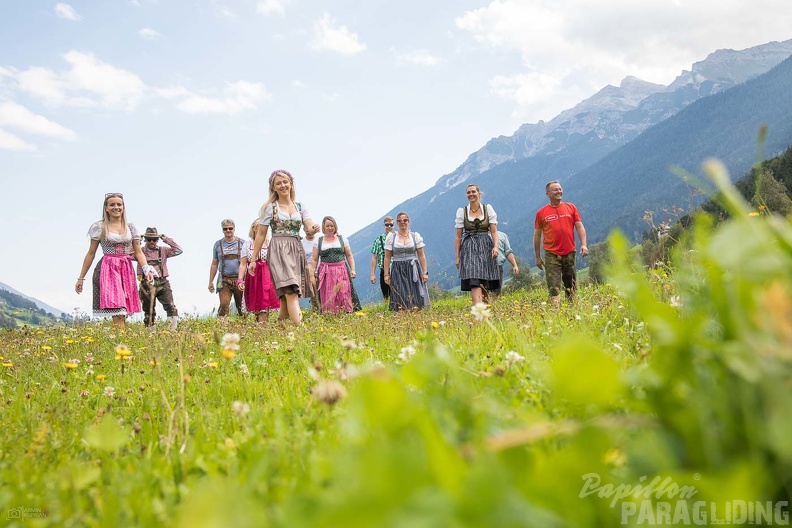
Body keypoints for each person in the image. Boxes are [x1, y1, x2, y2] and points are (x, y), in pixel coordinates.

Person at [248, 169, 320, 326]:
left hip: (295, 248)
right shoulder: (270, 208)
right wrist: (253, 259)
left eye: (285, 182)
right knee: (291, 292)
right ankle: (303, 330)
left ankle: (280, 328)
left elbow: (308, 227)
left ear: (291, 183)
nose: (283, 185)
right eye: (278, 183)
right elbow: (260, 234)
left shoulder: (300, 206)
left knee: (285, 297)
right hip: (278, 250)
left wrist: (314, 228)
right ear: (273, 187)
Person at [75, 193, 154, 330]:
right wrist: (81, 278)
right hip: (108, 268)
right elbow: (91, 253)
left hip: (126, 268)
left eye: (119, 204)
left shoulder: (130, 227)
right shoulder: (99, 227)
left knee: (123, 308)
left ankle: (120, 339)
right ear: (106, 208)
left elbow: (138, 251)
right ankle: (121, 340)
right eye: (112, 204)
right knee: (117, 307)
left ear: (123, 207)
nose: (116, 207)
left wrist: (146, 268)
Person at [534, 180, 588, 306]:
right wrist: (537, 257)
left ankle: (572, 309)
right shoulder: (541, 213)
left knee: (571, 284)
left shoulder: (571, 207)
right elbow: (537, 235)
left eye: (560, 189)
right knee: (553, 285)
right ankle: (556, 312)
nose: (559, 191)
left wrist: (584, 244)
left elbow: (580, 227)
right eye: (555, 190)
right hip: (551, 254)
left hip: (569, 252)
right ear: (547, 194)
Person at [455, 183, 499, 305]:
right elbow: (458, 236)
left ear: (479, 193)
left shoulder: (487, 209)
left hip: (486, 246)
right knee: (474, 281)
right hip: (469, 247)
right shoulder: (462, 212)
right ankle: (477, 315)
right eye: (468, 192)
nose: (471, 194)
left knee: (484, 283)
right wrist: (457, 257)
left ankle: (485, 315)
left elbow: (494, 231)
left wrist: (495, 246)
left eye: (473, 192)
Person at [309, 216, 362, 314]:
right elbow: (314, 260)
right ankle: (330, 313)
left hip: (341, 270)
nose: (330, 228)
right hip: (326, 272)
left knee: (343, 292)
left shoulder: (342, 239)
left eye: (332, 226)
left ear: (335, 226)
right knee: (328, 293)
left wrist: (353, 269)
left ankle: (346, 312)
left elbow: (349, 255)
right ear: (323, 227)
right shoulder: (318, 241)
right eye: (327, 226)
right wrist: (312, 274)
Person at [383, 212, 430, 311]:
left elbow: (421, 255)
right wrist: (386, 274)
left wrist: (425, 272)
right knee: (400, 294)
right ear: (397, 222)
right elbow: (387, 257)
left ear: (409, 221)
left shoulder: (414, 236)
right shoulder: (392, 237)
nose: (402, 222)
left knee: (415, 293)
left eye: (405, 220)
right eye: (400, 220)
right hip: (397, 268)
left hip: (413, 268)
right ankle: (402, 317)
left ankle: (416, 317)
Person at [137, 227, 182, 330]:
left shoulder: (164, 250)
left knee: (171, 307)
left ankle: (172, 331)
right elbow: (128, 254)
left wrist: (166, 239)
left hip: (162, 282)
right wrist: (137, 241)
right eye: (149, 239)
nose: (151, 241)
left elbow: (179, 250)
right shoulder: (139, 251)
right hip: (146, 284)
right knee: (148, 310)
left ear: (157, 240)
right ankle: (150, 333)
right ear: (145, 240)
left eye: (154, 239)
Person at [238, 219, 280, 323]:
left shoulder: (270, 243)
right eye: (260, 227)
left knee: (264, 306)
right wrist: (240, 279)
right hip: (253, 278)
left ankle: (262, 328)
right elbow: (243, 264)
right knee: (256, 307)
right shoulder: (247, 244)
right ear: (254, 229)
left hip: (268, 277)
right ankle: (260, 329)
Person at [208, 219, 245, 319]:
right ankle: (223, 328)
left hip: (240, 280)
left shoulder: (242, 243)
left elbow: (247, 262)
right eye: (225, 229)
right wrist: (210, 281)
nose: (228, 230)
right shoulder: (217, 245)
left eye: (230, 228)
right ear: (222, 230)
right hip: (224, 280)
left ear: (234, 229)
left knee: (241, 307)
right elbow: (214, 264)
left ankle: (244, 327)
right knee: (224, 305)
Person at [488, 230, 520, 302]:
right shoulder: (481, 236)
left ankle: (493, 307)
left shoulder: (503, 236)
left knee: (496, 292)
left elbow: (508, 252)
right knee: (484, 290)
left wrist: (515, 265)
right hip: (484, 268)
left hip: (498, 266)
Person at [369, 216, 394, 301]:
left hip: (396, 269)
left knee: (398, 294)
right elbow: (374, 257)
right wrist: (372, 274)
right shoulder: (378, 240)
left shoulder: (397, 238)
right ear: (384, 225)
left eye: (391, 224)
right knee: (386, 295)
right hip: (384, 271)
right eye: (387, 225)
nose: (389, 227)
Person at [301, 229, 320, 311]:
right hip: (309, 272)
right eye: (306, 229)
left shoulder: (320, 240)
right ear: (303, 229)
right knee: (314, 296)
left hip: (321, 270)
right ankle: (316, 313)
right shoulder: (301, 243)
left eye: (310, 229)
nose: (308, 231)